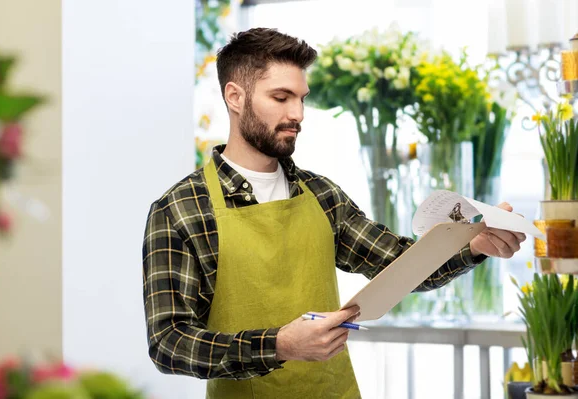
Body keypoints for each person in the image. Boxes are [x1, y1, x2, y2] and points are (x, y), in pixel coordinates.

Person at [142, 28, 526, 398]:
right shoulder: (181, 209)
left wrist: (473, 245)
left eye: (302, 98)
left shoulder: (322, 195)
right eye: (281, 97)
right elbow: (169, 342)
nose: (298, 114)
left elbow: (401, 265)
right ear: (235, 97)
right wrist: (279, 346)